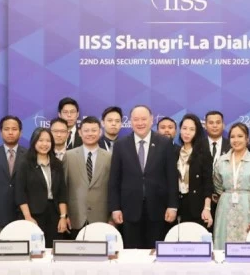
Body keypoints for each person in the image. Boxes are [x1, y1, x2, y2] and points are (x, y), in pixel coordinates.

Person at [108, 104, 179, 248]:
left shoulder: (165, 143)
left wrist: (173, 206)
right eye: (136, 119)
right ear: (130, 121)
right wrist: (115, 208)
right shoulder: (121, 145)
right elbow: (114, 180)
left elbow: (172, 178)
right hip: (129, 211)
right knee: (131, 255)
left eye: (143, 119)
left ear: (151, 120)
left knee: (156, 254)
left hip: (158, 210)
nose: (140, 123)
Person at [212, 122, 250, 246]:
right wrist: (228, 194)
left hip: (248, 209)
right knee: (223, 245)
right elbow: (217, 184)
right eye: (232, 137)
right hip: (225, 209)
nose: (236, 140)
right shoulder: (221, 161)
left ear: (247, 139)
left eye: (240, 136)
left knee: (248, 246)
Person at [15, 127, 69, 247]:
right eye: (40, 140)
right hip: (33, 214)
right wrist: (28, 217)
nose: (44, 144)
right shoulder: (24, 163)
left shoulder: (57, 164)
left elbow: (62, 193)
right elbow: (20, 193)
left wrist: (63, 217)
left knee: (53, 250)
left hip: (54, 214)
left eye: (48, 141)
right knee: (34, 250)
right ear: (34, 142)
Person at [65, 116, 112, 232]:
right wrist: (64, 215)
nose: (90, 134)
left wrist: (111, 217)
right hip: (75, 217)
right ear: (80, 133)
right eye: (86, 131)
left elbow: (113, 188)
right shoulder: (69, 156)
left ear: (100, 132)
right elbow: (64, 188)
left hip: (101, 217)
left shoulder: (109, 157)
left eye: (94, 130)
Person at [175, 114, 215, 229]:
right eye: (184, 128)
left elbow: (208, 183)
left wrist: (207, 208)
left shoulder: (203, 154)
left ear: (197, 132)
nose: (187, 133)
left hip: (197, 206)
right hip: (178, 205)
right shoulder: (175, 152)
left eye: (192, 129)